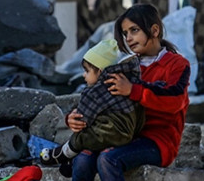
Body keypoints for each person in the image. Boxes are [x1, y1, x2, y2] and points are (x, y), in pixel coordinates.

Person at [66, 4, 191, 181]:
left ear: (154, 30)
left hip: (158, 141)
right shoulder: (124, 65)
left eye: (134, 30)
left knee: (108, 159)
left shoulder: (176, 64)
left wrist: (133, 90)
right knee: (83, 157)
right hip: (123, 135)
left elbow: (175, 100)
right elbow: (96, 94)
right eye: (125, 33)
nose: (129, 38)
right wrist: (74, 117)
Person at [39, 38, 145, 170]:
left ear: (100, 71)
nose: (84, 75)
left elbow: (82, 119)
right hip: (130, 133)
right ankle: (71, 162)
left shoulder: (94, 92)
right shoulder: (127, 82)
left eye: (87, 71)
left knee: (82, 137)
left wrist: (73, 119)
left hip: (108, 134)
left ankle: (64, 153)